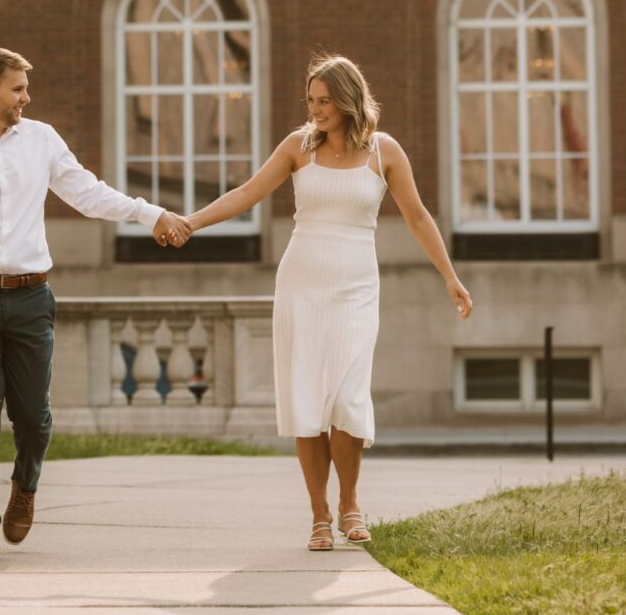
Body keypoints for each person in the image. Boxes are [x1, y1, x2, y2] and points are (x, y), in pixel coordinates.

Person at [0, 47, 191, 561]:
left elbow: (88, 193)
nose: (26, 98)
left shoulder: (40, 140)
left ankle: (26, 486)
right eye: (17, 89)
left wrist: (151, 213)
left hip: (32, 295)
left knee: (34, 418)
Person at [179, 53, 472, 550]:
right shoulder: (298, 147)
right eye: (310, 100)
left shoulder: (385, 152)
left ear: (347, 99)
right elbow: (248, 193)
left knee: (348, 397)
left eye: (324, 101)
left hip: (356, 284)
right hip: (302, 282)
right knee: (307, 399)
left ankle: (349, 503)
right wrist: (190, 222)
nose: (314, 109)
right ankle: (319, 514)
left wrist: (450, 277)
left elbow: (418, 218)